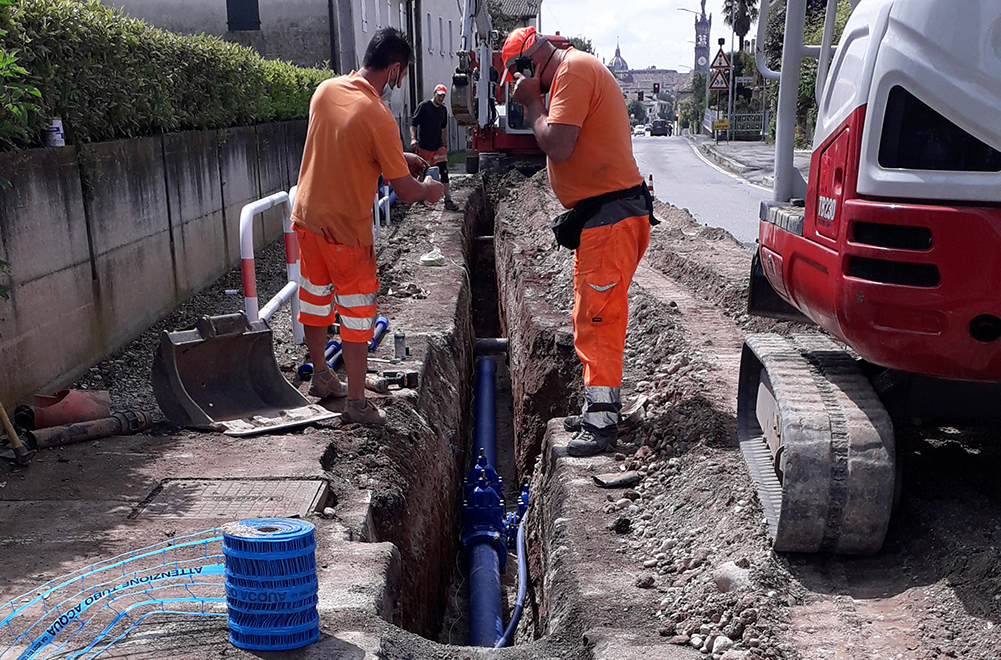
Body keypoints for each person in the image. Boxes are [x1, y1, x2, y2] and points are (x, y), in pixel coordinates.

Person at [504, 27, 657, 456]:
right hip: (602, 218)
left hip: (611, 218)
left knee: (599, 319)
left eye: (517, 79)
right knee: (588, 313)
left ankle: (603, 423)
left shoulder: (572, 71)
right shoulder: (573, 71)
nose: (516, 91)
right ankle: (597, 406)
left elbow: (558, 144)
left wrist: (533, 101)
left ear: (528, 65)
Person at [291, 27, 444, 425]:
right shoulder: (378, 115)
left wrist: (401, 155)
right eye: (401, 73)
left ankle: (322, 377)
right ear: (394, 69)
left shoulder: (325, 91)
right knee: (357, 316)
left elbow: (345, 145)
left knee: (314, 300)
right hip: (345, 231)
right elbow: (406, 192)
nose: (398, 80)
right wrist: (429, 190)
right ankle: (357, 403)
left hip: (307, 219)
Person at [410, 84, 460, 211]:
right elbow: (413, 124)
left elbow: (443, 128)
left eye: (443, 96)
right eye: (439, 95)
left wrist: (444, 144)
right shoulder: (424, 107)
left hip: (438, 145)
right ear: (434, 94)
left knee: (444, 170)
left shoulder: (443, 110)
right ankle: (420, 200)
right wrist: (413, 138)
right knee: (421, 172)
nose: (441, 98)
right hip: (424, 146)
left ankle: (447, 199)